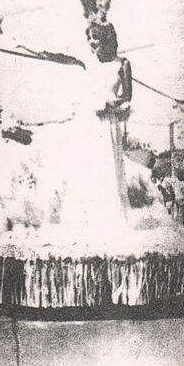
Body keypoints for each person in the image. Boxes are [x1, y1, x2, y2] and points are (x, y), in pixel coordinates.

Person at [52, 21, 131, 230]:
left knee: (107, 167)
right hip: (89, 122)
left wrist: (109, 104)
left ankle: (109, 220)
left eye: (95, 37)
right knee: (87, 166)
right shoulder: (89, 62)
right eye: (89, 38)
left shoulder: (122, 63)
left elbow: (127, 95)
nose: (91, 42)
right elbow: (64, 58)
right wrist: (36, 51)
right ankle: (84, 219)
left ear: (106, 38)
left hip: (108, 121)